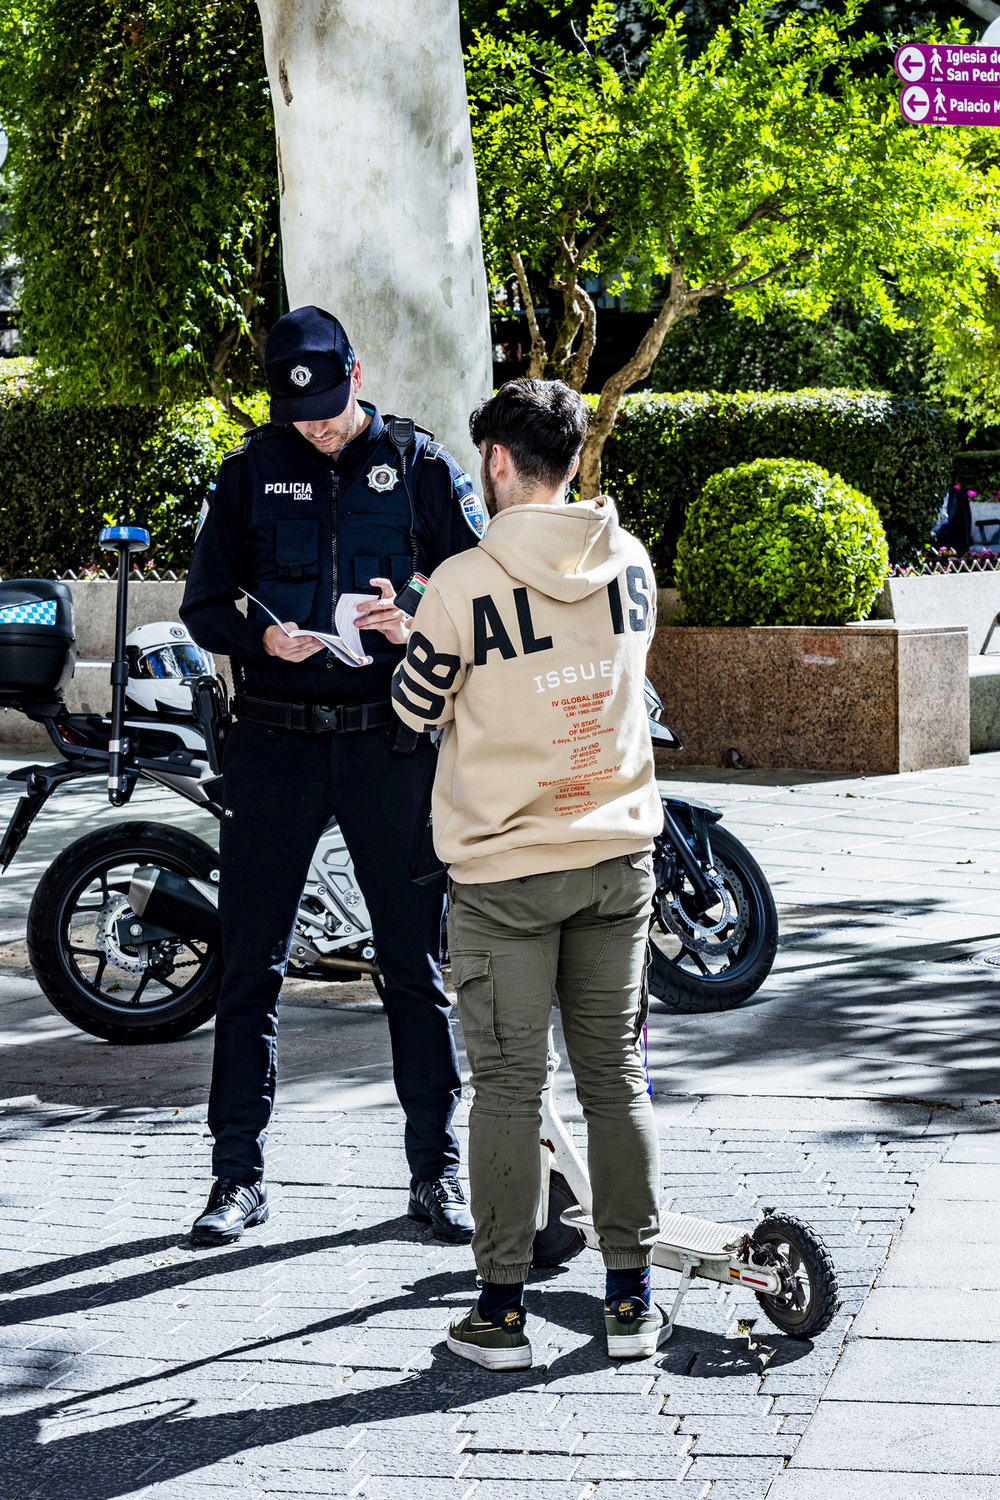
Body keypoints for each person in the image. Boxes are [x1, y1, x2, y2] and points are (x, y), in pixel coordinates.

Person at [180, 305, 484, 1246]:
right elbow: (203, 603)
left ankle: (436, 1176)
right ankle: (237, 1179)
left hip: (387, 744)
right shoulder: (248, 471)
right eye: (297, 409)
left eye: (328, 403)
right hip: (273, 744)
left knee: (414, 966)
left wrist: (418, 611)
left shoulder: (422, 465)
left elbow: (477, 586)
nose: (314, 422)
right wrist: (256, 634)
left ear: (356, 371)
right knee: (249, 968)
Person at [389, 378, 666, 1370]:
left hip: (506, 871)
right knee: (615, 1080)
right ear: (575, 462)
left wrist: (413, 638)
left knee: (507, 1086)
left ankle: (500, 1316)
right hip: (617, 856)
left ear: (499, 465)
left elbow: (415, 708)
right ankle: (631, 1302)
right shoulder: (626, 561)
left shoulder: (462, 585)